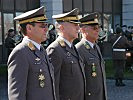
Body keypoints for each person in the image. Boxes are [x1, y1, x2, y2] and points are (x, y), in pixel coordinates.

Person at [8, 6, 56, 100]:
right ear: (29, 28)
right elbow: (17, 95)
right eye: (42, 26)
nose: (46, 29)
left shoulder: (41, 50)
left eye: (47, 25)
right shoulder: (21, 52)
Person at [46, 8, 86, 100]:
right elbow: (53, 86)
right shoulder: (55, 49)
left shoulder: (72, 47)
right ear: (62, 28)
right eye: (74, 25)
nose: (78, 28)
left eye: (78, 25)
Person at [76, 12, 107, 100]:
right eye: (94, 28)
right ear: (83, 30)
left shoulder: (96, 46)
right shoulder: (79, 49)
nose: (97, 30)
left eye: (98, 27)